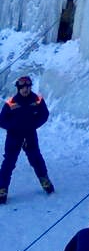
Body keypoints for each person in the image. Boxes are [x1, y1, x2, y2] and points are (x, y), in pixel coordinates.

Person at [0, 74, 53, 203]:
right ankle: (2, 190)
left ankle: (45, 182)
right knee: (9, 163)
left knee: (36, 159)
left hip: (30, 136)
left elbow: (44, 114)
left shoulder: (37, 100)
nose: (26, 90)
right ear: (18, 88)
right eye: (23, 87)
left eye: (28, 87)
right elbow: (2, 120)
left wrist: (34, 124)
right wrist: (12, 127)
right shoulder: (11, 102)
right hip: (14, 137)